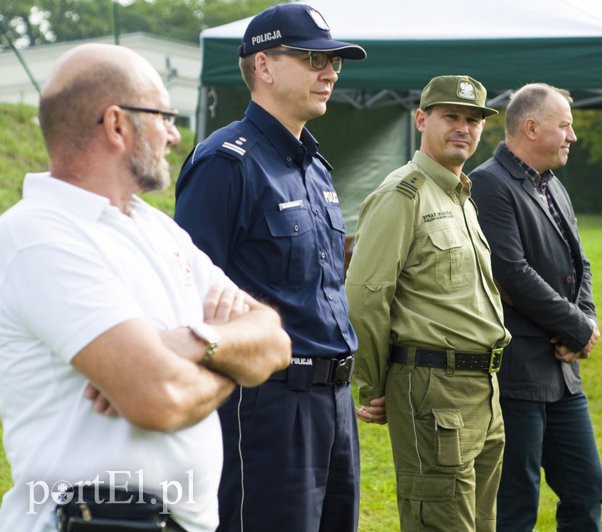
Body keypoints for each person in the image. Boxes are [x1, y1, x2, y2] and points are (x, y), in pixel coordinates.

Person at [0, 43, 291, 531]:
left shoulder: (157, 229)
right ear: (117, 124)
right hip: (92, 522)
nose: (175, 135)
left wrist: (194, 342)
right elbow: (160, 398)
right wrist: (229, 363)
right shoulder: (38, 236)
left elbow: (275, 341)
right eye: (164, 117)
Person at [173, 4, 366, 531]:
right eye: (313, 59)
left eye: (334, 62)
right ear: (264, 65)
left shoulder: (314, 166)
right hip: (268, 405)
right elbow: (187, 291)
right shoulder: (225, 163)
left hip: (334, 402)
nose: (329, 73)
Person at [346, 74, 510, 531]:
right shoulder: (403, 194)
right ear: (421, 120)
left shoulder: (461, 195)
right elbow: (366, 296)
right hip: (434, 389)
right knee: (441, 521)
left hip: (484, 390)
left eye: (473, 120)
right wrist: (374, 384)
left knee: (480, 522)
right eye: (451, 116)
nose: (463, 128)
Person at [469, 83, 602, 532]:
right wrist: (577, 328)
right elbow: (511, 272)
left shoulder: (555, 185)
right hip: (518, 374)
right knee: (516, 503)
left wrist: (585, 321)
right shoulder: (489, 183)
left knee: (586, 489)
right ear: (531, 127)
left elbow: (580, 263)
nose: (572, 136)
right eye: (564, 126)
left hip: (564, 375)